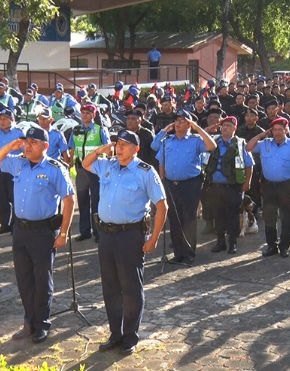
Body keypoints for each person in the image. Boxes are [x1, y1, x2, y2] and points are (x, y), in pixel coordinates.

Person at [82, 130, 167, 355]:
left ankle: (130, 336)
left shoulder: (145, 172)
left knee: (130, 288)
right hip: (106, 235)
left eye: (125, 145)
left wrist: (154, 238)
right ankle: (115, 333)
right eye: (117, 143)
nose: (119, 148)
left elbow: (162, 206)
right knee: (110, 287)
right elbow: (85, 163)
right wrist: (102, 149)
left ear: (136, 149)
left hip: (130, 236)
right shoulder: (107, 165)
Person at [0, 124, 75, 344]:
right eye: (26, 142)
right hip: (20, 230)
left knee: (41, 279)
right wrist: (11, 144)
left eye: (33, 143)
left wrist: (64, 232)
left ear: (45, 146)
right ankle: (29, 322)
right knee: (24, 279)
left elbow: (69, 200)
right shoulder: (19, 162)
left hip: (43, 232)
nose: (28, 146)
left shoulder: (55, 168)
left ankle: (42, 324)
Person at [152, 110, 217, 265]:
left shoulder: (195, 140)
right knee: (174, 220)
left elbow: (212, 145)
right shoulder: (168, 140)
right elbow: (156, 150)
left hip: (190, 184)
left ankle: (189, 254)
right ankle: (178, 253)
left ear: (189, 124)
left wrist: (197, 128)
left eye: (182, 120)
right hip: (170, 184)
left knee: (188, 218)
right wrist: (164, 130)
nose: (177, 123)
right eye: (176, 120)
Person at [247, 117, 290, 258]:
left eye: (281, 129)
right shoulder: (264, 144)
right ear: (271, 131)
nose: (278, 132)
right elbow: (248, 147)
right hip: (268, 185)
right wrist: (262, 135)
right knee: (269, 217)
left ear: (286, 130)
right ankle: (271, 246)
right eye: (275, 130)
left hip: (286, 186)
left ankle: (284, 246)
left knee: (286, 217)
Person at [204, 116, 254, 254]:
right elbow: (201, 139)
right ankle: (220, 242)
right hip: (215, 186)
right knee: (218, 215)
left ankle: (232, 243)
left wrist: (247, 182)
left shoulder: (240, 144)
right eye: (223, 125)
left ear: (234, 128)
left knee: (232, 216)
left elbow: (249, 165)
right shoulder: (214, 141)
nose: (225, 128)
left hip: (232, 187)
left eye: (228, 126)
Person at [68, 103, 110, 242]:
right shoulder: (76, 129)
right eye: (83, 112)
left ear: (94, 115)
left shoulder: (100, 130)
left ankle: (98, 233)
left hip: (96, 170)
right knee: (82, 201)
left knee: (96, 201)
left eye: (88, 113)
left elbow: (109, 148)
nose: (84, 115)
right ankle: (84, 231)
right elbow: (72, 148)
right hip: (81, 170)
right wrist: (71, 163)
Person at [0, 108, 25, 235]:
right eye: (0, 119)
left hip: (14, 169)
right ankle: (4, 224)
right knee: (2, 198)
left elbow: (25, 152)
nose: (1, 121)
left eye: (4, 119)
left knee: (15, 197)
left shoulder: (18, 133)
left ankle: (16, 225)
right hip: (0, 168)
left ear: (12, 120)